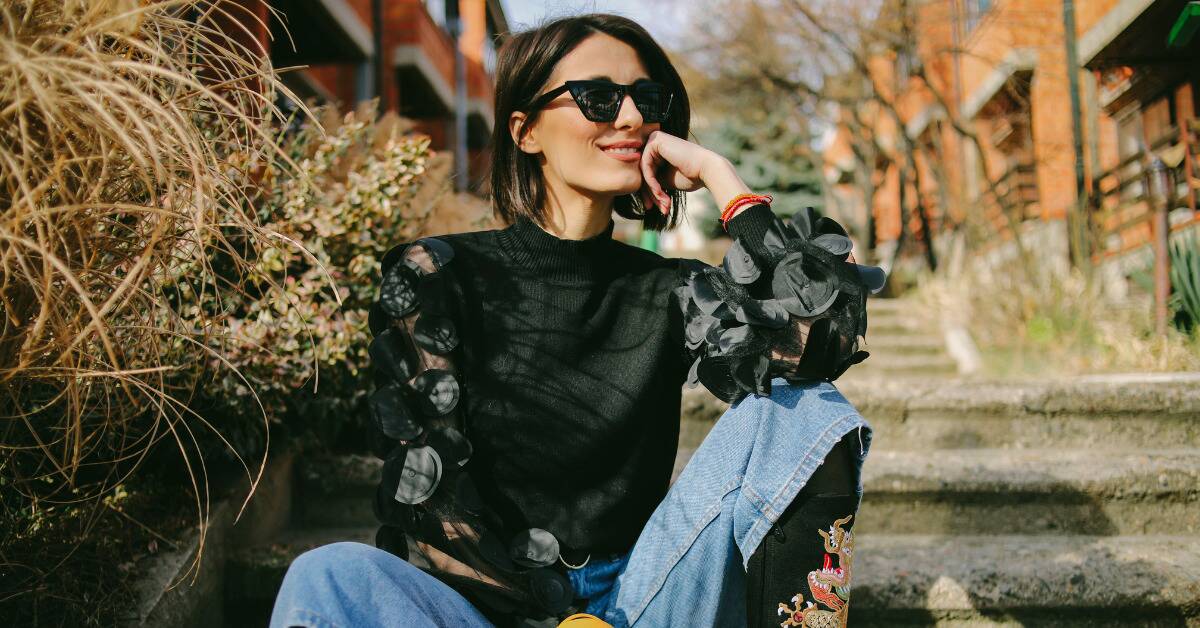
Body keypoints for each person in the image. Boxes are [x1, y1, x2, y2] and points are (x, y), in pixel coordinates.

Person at [270, 13, 883, 628]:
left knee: (809, 410)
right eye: (598, 98)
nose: (631, 118)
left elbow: (819, 341)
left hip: (642, 597)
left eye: (648, 100)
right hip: (492, 604)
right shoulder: (438, 275)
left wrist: (725, 182)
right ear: (526, 130)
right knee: (325, 576)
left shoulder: (674, 289)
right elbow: (432, 504)